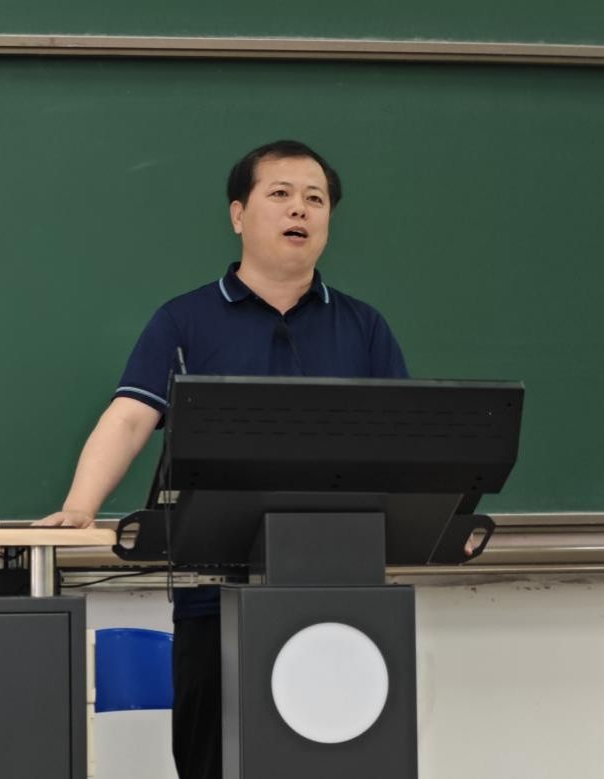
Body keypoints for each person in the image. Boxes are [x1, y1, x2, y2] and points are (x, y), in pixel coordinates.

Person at [36, 140, 408, 778]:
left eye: (315, 199)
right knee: (214, 760)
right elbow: (130, 416)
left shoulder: (364, 326)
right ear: (239, 214)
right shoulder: (185, 319)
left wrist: (445, 516)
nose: (300, 209)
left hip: (341, 596)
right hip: (214, 598)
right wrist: (79, 507)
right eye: (280, 194)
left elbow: (406, 443)